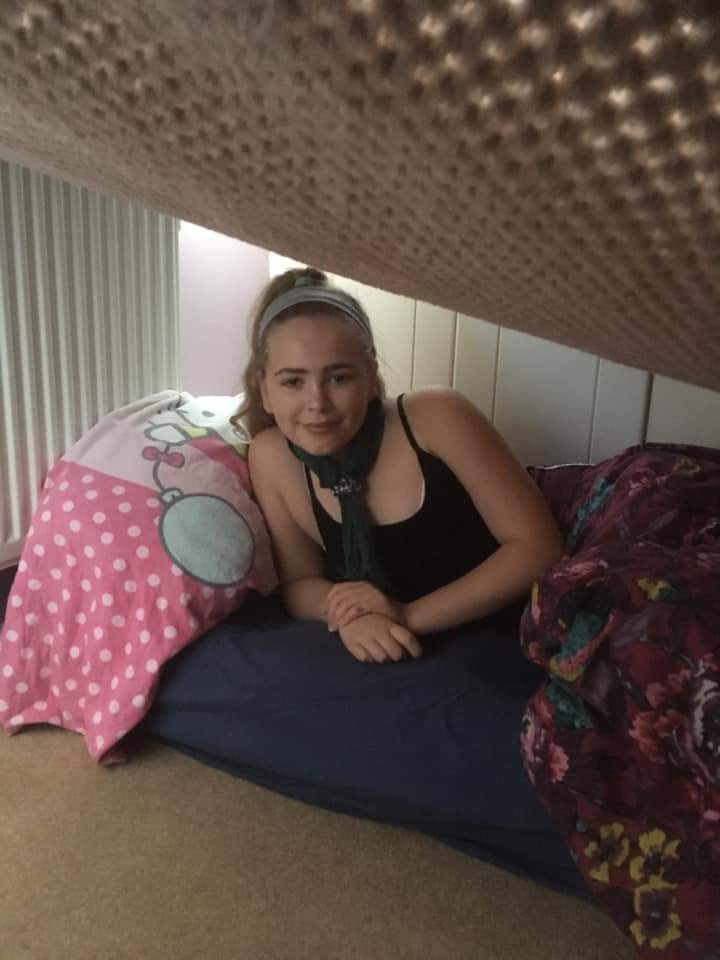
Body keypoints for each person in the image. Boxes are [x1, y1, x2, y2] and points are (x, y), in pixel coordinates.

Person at [238, 267, 564, 664]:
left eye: (339, 379)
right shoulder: (270, 455)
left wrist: (406, 616)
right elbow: (300, 582)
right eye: (293, 382)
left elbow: (537, 548)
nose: (317, 402)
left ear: (370, 376)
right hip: (388, 639)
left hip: (495, 629)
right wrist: (349, 613)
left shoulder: (437, 415)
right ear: (265, 390)